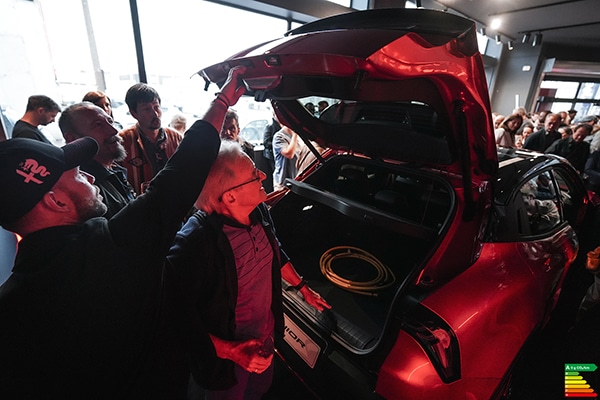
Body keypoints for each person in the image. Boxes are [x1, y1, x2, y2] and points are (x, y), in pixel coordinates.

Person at [0, 66, 247, 398]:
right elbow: (178, 177)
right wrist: (222, 101)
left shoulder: (11, 306)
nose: (87, 176)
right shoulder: (106, 248)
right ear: (55, 201)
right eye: (74, 173)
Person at [167, 141, 330, 399]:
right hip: (226, 360)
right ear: (230, 196)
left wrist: (302, 288)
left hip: (264, 341)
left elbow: (274, 250)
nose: (263, 175)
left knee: (258, 392)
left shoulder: (258, 210)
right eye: (255, 174)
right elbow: (174, 320)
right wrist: (233, 352)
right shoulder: (194, 243)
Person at [59, 101, 135, 218]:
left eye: (110, 121)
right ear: (72, 138)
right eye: (98, 125)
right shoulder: (85, 187)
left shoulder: (113, 169)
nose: (113, 130)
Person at [118, 83, 183, 195]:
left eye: (156, 107)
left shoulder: (176, 137)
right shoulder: (123, 141)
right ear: (134, 113)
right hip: (142, 206)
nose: (155, 113)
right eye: (147, 109)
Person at [272, 124, 298, 191]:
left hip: (296, 180)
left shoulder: (300, 136)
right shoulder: (279, 136)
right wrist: (295, 134)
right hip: (282, 183)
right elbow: (289, 154)